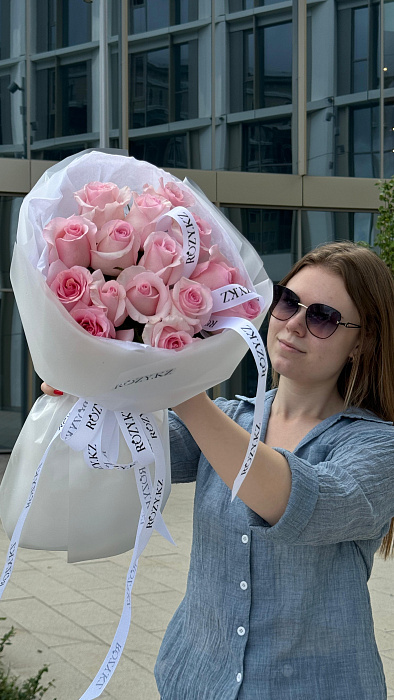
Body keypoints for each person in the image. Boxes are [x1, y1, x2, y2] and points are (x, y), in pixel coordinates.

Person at [42, 241, 394, 700]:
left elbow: (299, 501)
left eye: (322, 317)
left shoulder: (377, 446)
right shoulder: (231, 419)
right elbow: (127, 448)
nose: (293, 324)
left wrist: (186, 392)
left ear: (362, 341)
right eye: (288, 301)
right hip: (196, 682)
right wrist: (81, 378)